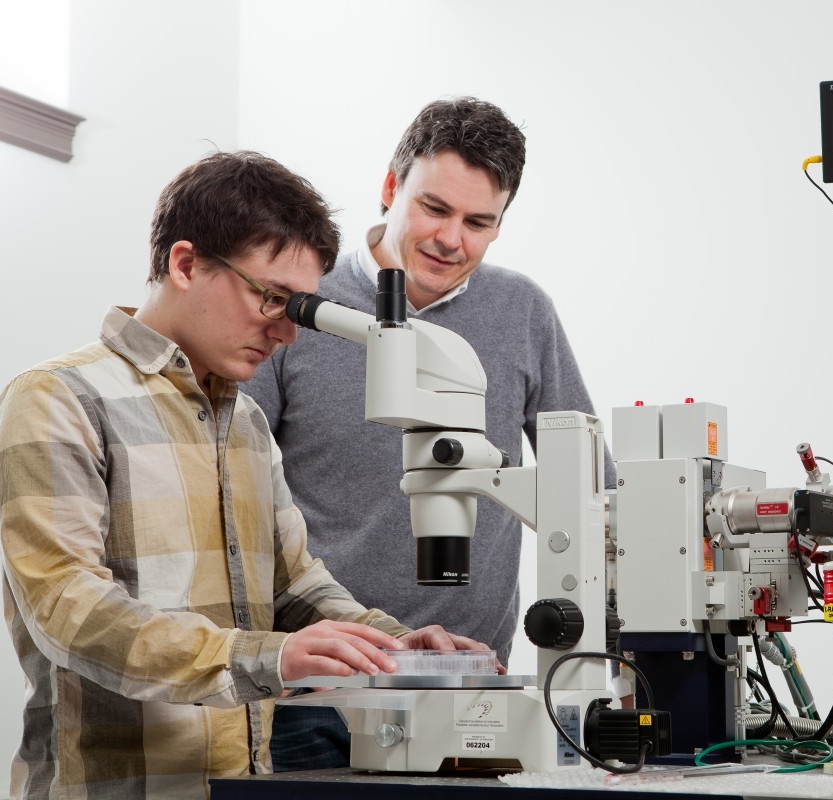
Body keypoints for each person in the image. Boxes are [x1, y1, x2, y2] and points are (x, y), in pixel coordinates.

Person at [0, 150, 488, 800]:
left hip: (243, 787)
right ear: (186, 263)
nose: (287, 333)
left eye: (298, 307)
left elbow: (293, 584)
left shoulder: (245, 420)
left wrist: (391, 646)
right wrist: (264, 657)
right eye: (272, 298)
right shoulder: (56, 399)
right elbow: (67, 608)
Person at [243, 96, 614, 771]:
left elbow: (593, 490)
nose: (452, 240)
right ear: (390, 187)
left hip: (470, 684)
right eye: (435, 209)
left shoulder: (522, 311)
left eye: (479, 222)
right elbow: (235, 490)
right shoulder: (301, 301)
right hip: (318, 688)